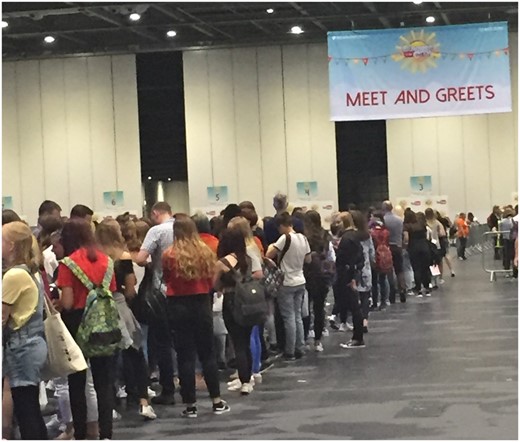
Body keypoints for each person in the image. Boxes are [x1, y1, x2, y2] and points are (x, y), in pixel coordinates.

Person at [162, 214, 230, 417]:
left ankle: (190, 405)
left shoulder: (169, 254)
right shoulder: (205, 252)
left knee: (185, 356)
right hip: (202, 304)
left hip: (178, 305)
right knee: (207, 353)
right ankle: (217, 401)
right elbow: (212, 280)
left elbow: (166, 279)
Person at [56, 218, 118, 440]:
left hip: (76, 324)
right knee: (104, 382)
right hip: (104, 324)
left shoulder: (68, 264)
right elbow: (111, 291)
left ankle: (81, 433)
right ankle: (106, 433)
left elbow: (69, 302)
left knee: (77, 382)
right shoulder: (107, 261)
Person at [95, 220, 157, 420]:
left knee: (107, 361)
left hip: (101, 309)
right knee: (136, 354)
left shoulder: (96, 258)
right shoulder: (123, 258)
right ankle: (143, 401)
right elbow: (131, 289)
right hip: (121, 306)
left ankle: (109, 405)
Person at [2, 222, 48, 440]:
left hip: (21, 347)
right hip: (32, 345)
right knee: (30, 409)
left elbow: (2, 316)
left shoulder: (13, 276)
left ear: (10, 246)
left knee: (26, 410)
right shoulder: (29, 271)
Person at [134, 202, 176, 405]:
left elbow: (141, 259)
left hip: (162, 291)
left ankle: (168, 389)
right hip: (185, 290)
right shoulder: (183, 227)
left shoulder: (156, 231)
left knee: (163, 343)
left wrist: (153, 263)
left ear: (155, 212)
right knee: (184, 343)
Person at [213, 228, 256, 395]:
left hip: (231, 301)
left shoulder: (222, 262)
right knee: (245, 341)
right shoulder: (248, 259)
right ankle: (248, 377)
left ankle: (243, 380)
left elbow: (215, 284)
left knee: (237, 342)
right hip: (248, 301)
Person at [265, 212, 311, 361]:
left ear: (282, 225)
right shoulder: (303, 238)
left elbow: (269, 255)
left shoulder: (285, 238)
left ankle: (289, 350)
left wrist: (272, 246)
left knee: (288, 317)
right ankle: (300, 346)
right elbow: (308, 259)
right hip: (300, 279)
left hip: (286, 281)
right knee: (297, 315)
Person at [302, 210, 335, 352]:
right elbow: (331, 257)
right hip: (322, 275)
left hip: (307, 274)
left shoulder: (304, 237)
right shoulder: (326, 235)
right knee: (319, 307)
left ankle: (304, 338)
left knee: (305, 308)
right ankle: (318, 340)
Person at [335, 212, 366, 348]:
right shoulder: (354, 236)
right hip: (352, 274)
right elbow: (360, 258)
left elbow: (345, 259)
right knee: (354, 307)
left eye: (338, 222)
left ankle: (357, 338)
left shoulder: (347, 239)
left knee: (354, 307)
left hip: (347, 276)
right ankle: (357, 337)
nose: (336, 225)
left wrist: (351, 276)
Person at [351, 210, 375, 332]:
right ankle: (365, 320)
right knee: (366, 296)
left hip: (353, 269)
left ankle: (357, 321)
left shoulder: (350, 236)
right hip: (366, 268)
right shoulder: (367, 235)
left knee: (355, 297)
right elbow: (372, 254)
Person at [382, 201, 406, 303]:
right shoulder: (399, 220)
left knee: (389, 271)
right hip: (397, 246)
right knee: (399, 270)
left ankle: (392, 293)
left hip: (387, 247)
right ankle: (402, 290)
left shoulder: (384, 221)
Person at [404, 211, 432, 297]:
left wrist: (405, 246)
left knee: (416, 269)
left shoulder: (406, 226)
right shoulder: (421, 224)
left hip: (414, 248)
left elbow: (406, 239)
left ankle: (419, 289)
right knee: (425, 268)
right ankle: (427, 289)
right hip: (424, 247)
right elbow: (428, 235)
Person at [369, 211, 391, 310]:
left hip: (375, 256)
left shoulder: (372, 232)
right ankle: (384, 301)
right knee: (383, 279)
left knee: (374, 280)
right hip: (385, 256)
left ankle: (374, 302)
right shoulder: (386, 231)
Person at [425, 208, 446, 284]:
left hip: (427, 244)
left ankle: (432, 279)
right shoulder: (437, 222)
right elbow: (442, 233)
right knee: (438, 261)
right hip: (436, 244)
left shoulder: (424, 223)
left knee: (430, 262)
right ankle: (439, 278)